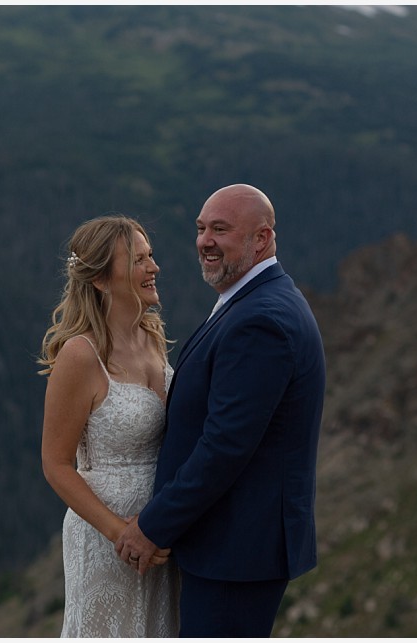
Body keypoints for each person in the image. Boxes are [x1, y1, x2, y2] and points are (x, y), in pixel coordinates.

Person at [114, 184, 326, 637]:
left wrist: (153, 527)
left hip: (236, 552)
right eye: (201, 228)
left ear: (262, 238)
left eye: (221, 230)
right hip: (226, 546)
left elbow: (225, 446)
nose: (205, 241)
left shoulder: (262, 320)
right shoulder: (251, 300)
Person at [39, 215, 180, 637]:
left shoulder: (152, 337)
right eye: (138, 260)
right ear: (101, 279)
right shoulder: (80, 355)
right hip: (108, 538)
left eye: (151, 256)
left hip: (158, 532)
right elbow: (56, 464)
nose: (154, 267)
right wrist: (120, 532)